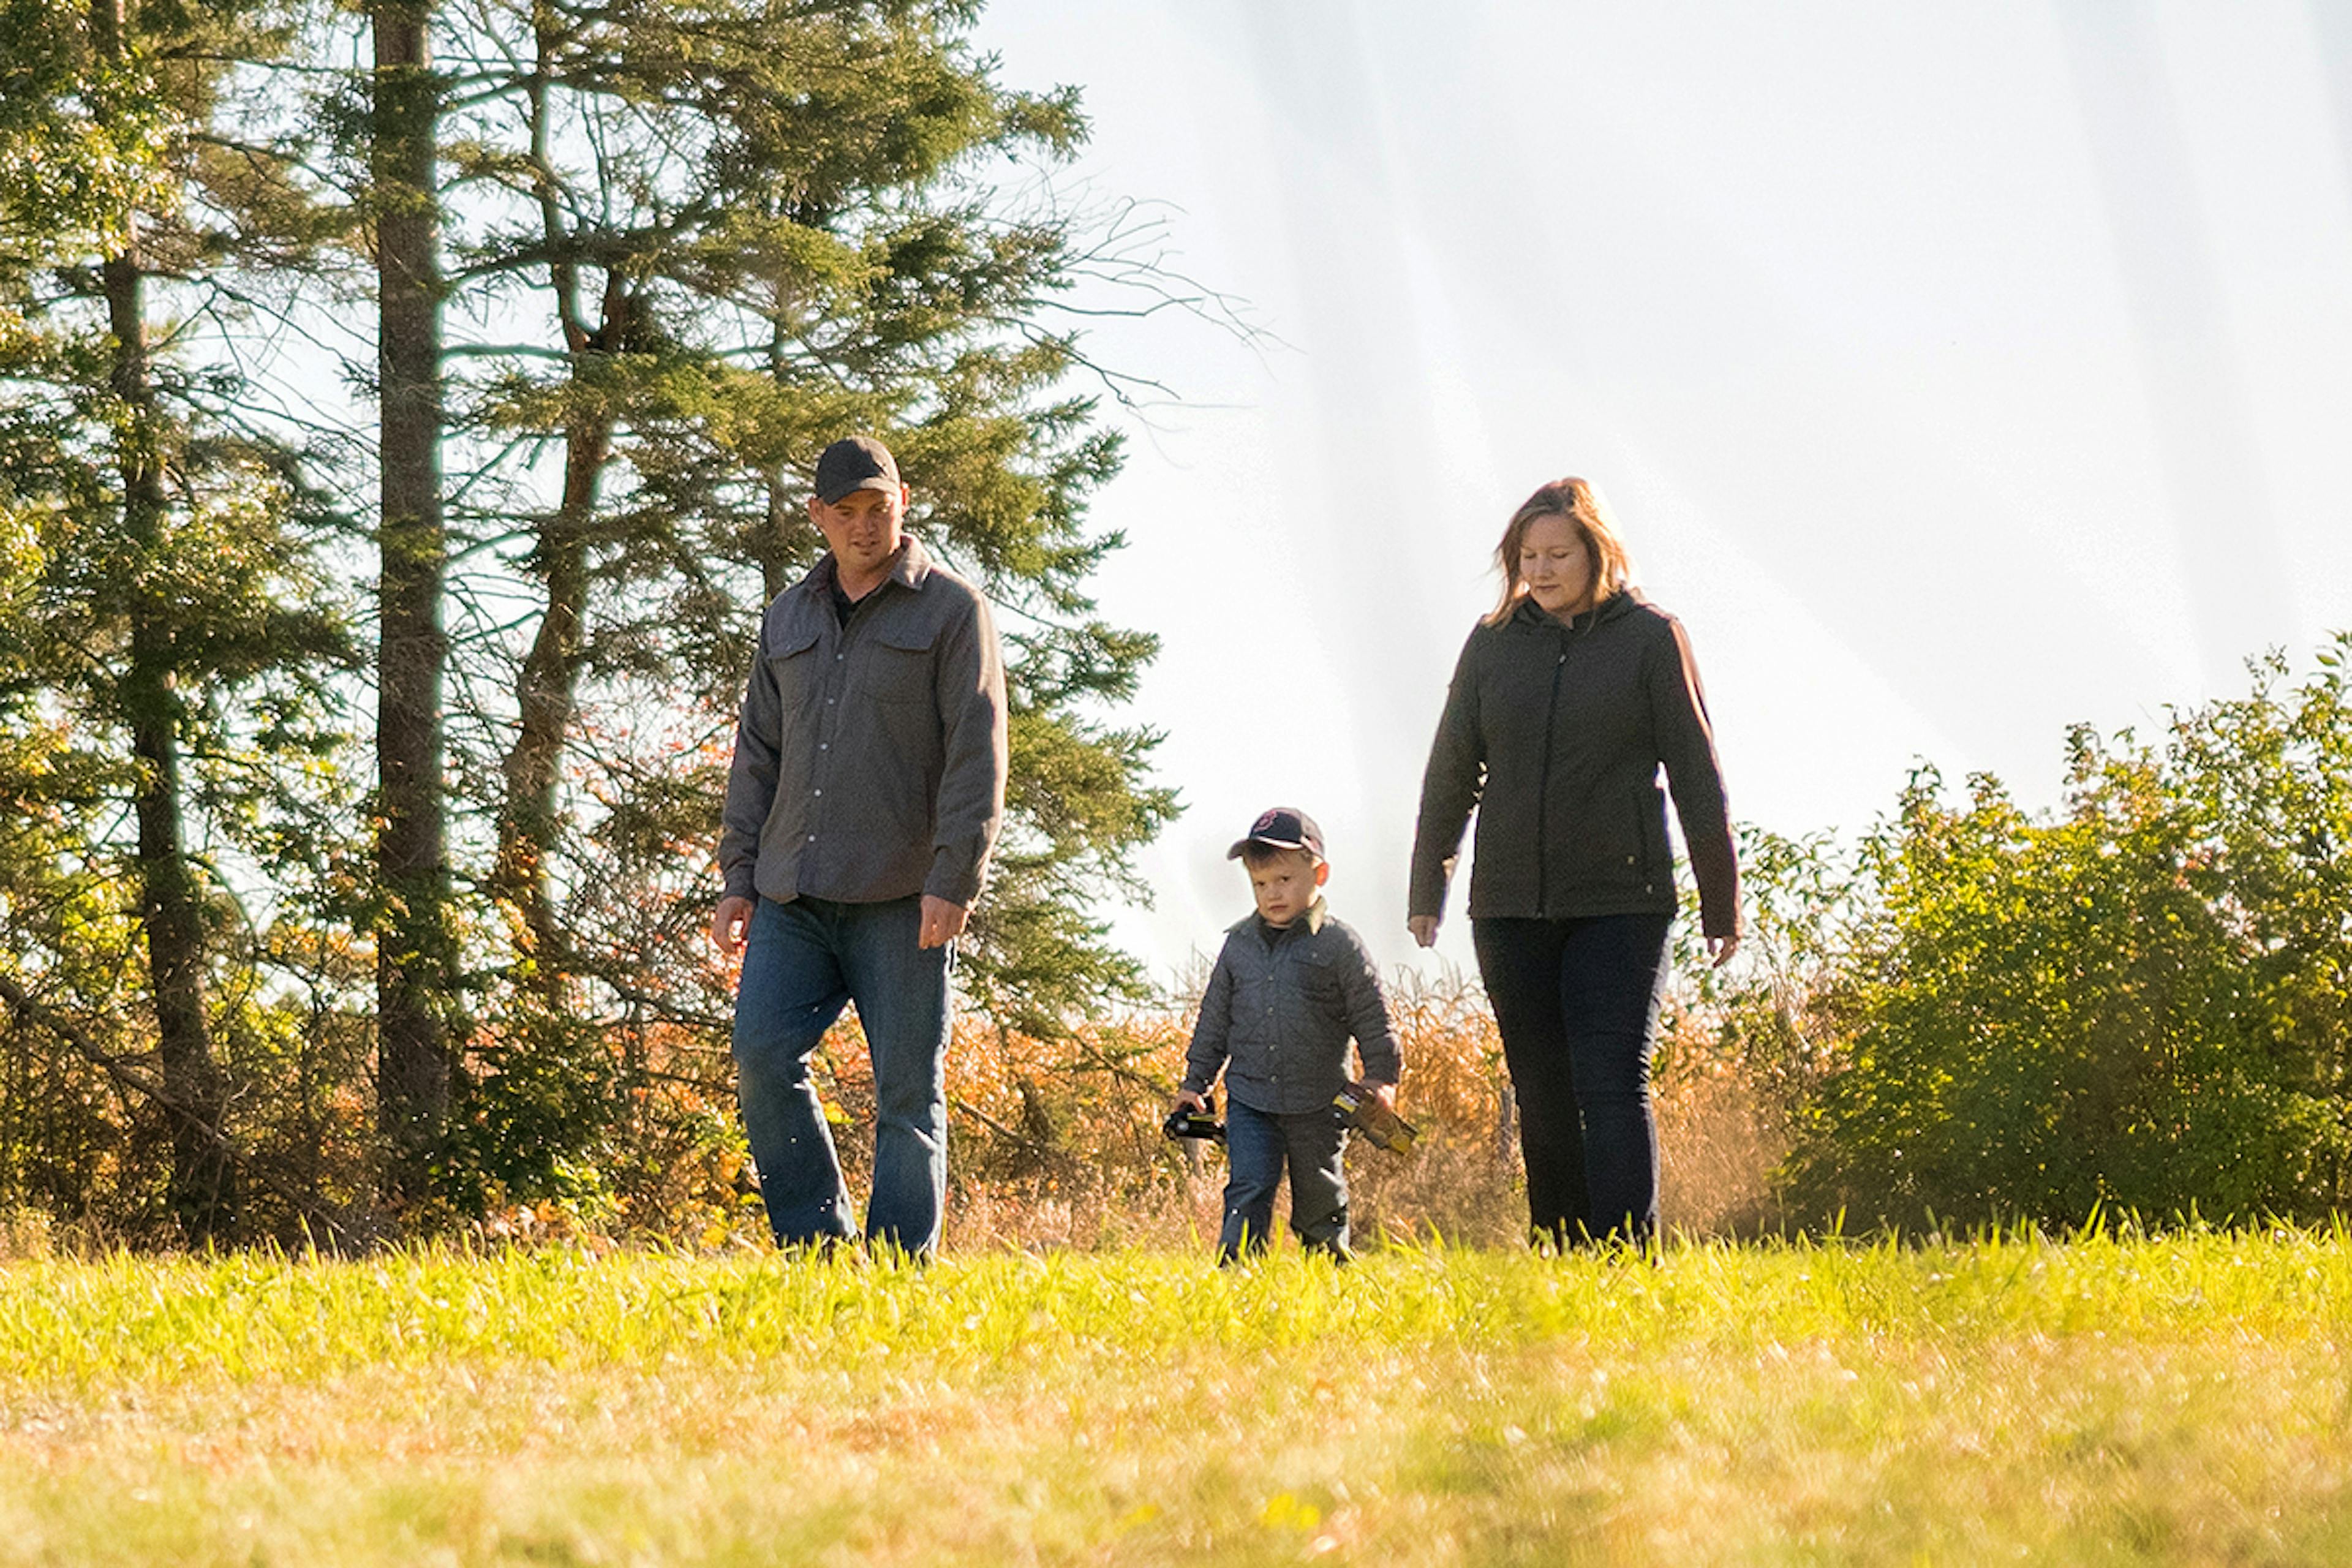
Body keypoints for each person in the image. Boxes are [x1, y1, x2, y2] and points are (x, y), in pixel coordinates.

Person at [1407, 477, 1738, 1250]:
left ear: (1599, 553)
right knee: (1543, 1091)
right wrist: (1431, 884)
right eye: (1529, 556)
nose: (1542, 570)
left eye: (1559, 553)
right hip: (1511, 904)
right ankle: (1562, 1246)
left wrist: (1721, 902)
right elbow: (1452, 768)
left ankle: (1627, 1251)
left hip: (1621, 898)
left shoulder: (1651, 637)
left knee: (1610, 1081)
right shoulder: (1493, 643)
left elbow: (1696, 772)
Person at [711, 434, 1007, 1257]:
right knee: (763, 1058)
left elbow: (977, 757)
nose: (865, 526)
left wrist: (956, 879)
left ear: (901, 502)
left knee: (908, 1091)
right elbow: (757, 755)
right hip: (792, 898)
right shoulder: (787, 617)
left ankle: (898, 1265)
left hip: (904, 898)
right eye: (846, 512)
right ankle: (818, 1248)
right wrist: (738, 879)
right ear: (819, 518)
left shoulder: (953, 612)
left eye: (878, 509)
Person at [1174, 807, 1403, 1263]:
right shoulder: (1238, 946)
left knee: (1320, 1188)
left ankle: (1329, 1269)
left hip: (1319, 1101)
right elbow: (1214, 1021)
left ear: (1319, 873)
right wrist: (1194, 1085)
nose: (1272, 893)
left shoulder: (1340, 945)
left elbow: (1372, 1017)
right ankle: (1238, 1274)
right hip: (1250, 1099)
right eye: (1261, 885)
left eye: (1284, 880)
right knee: (1249, 1185)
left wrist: (1382, 1077)